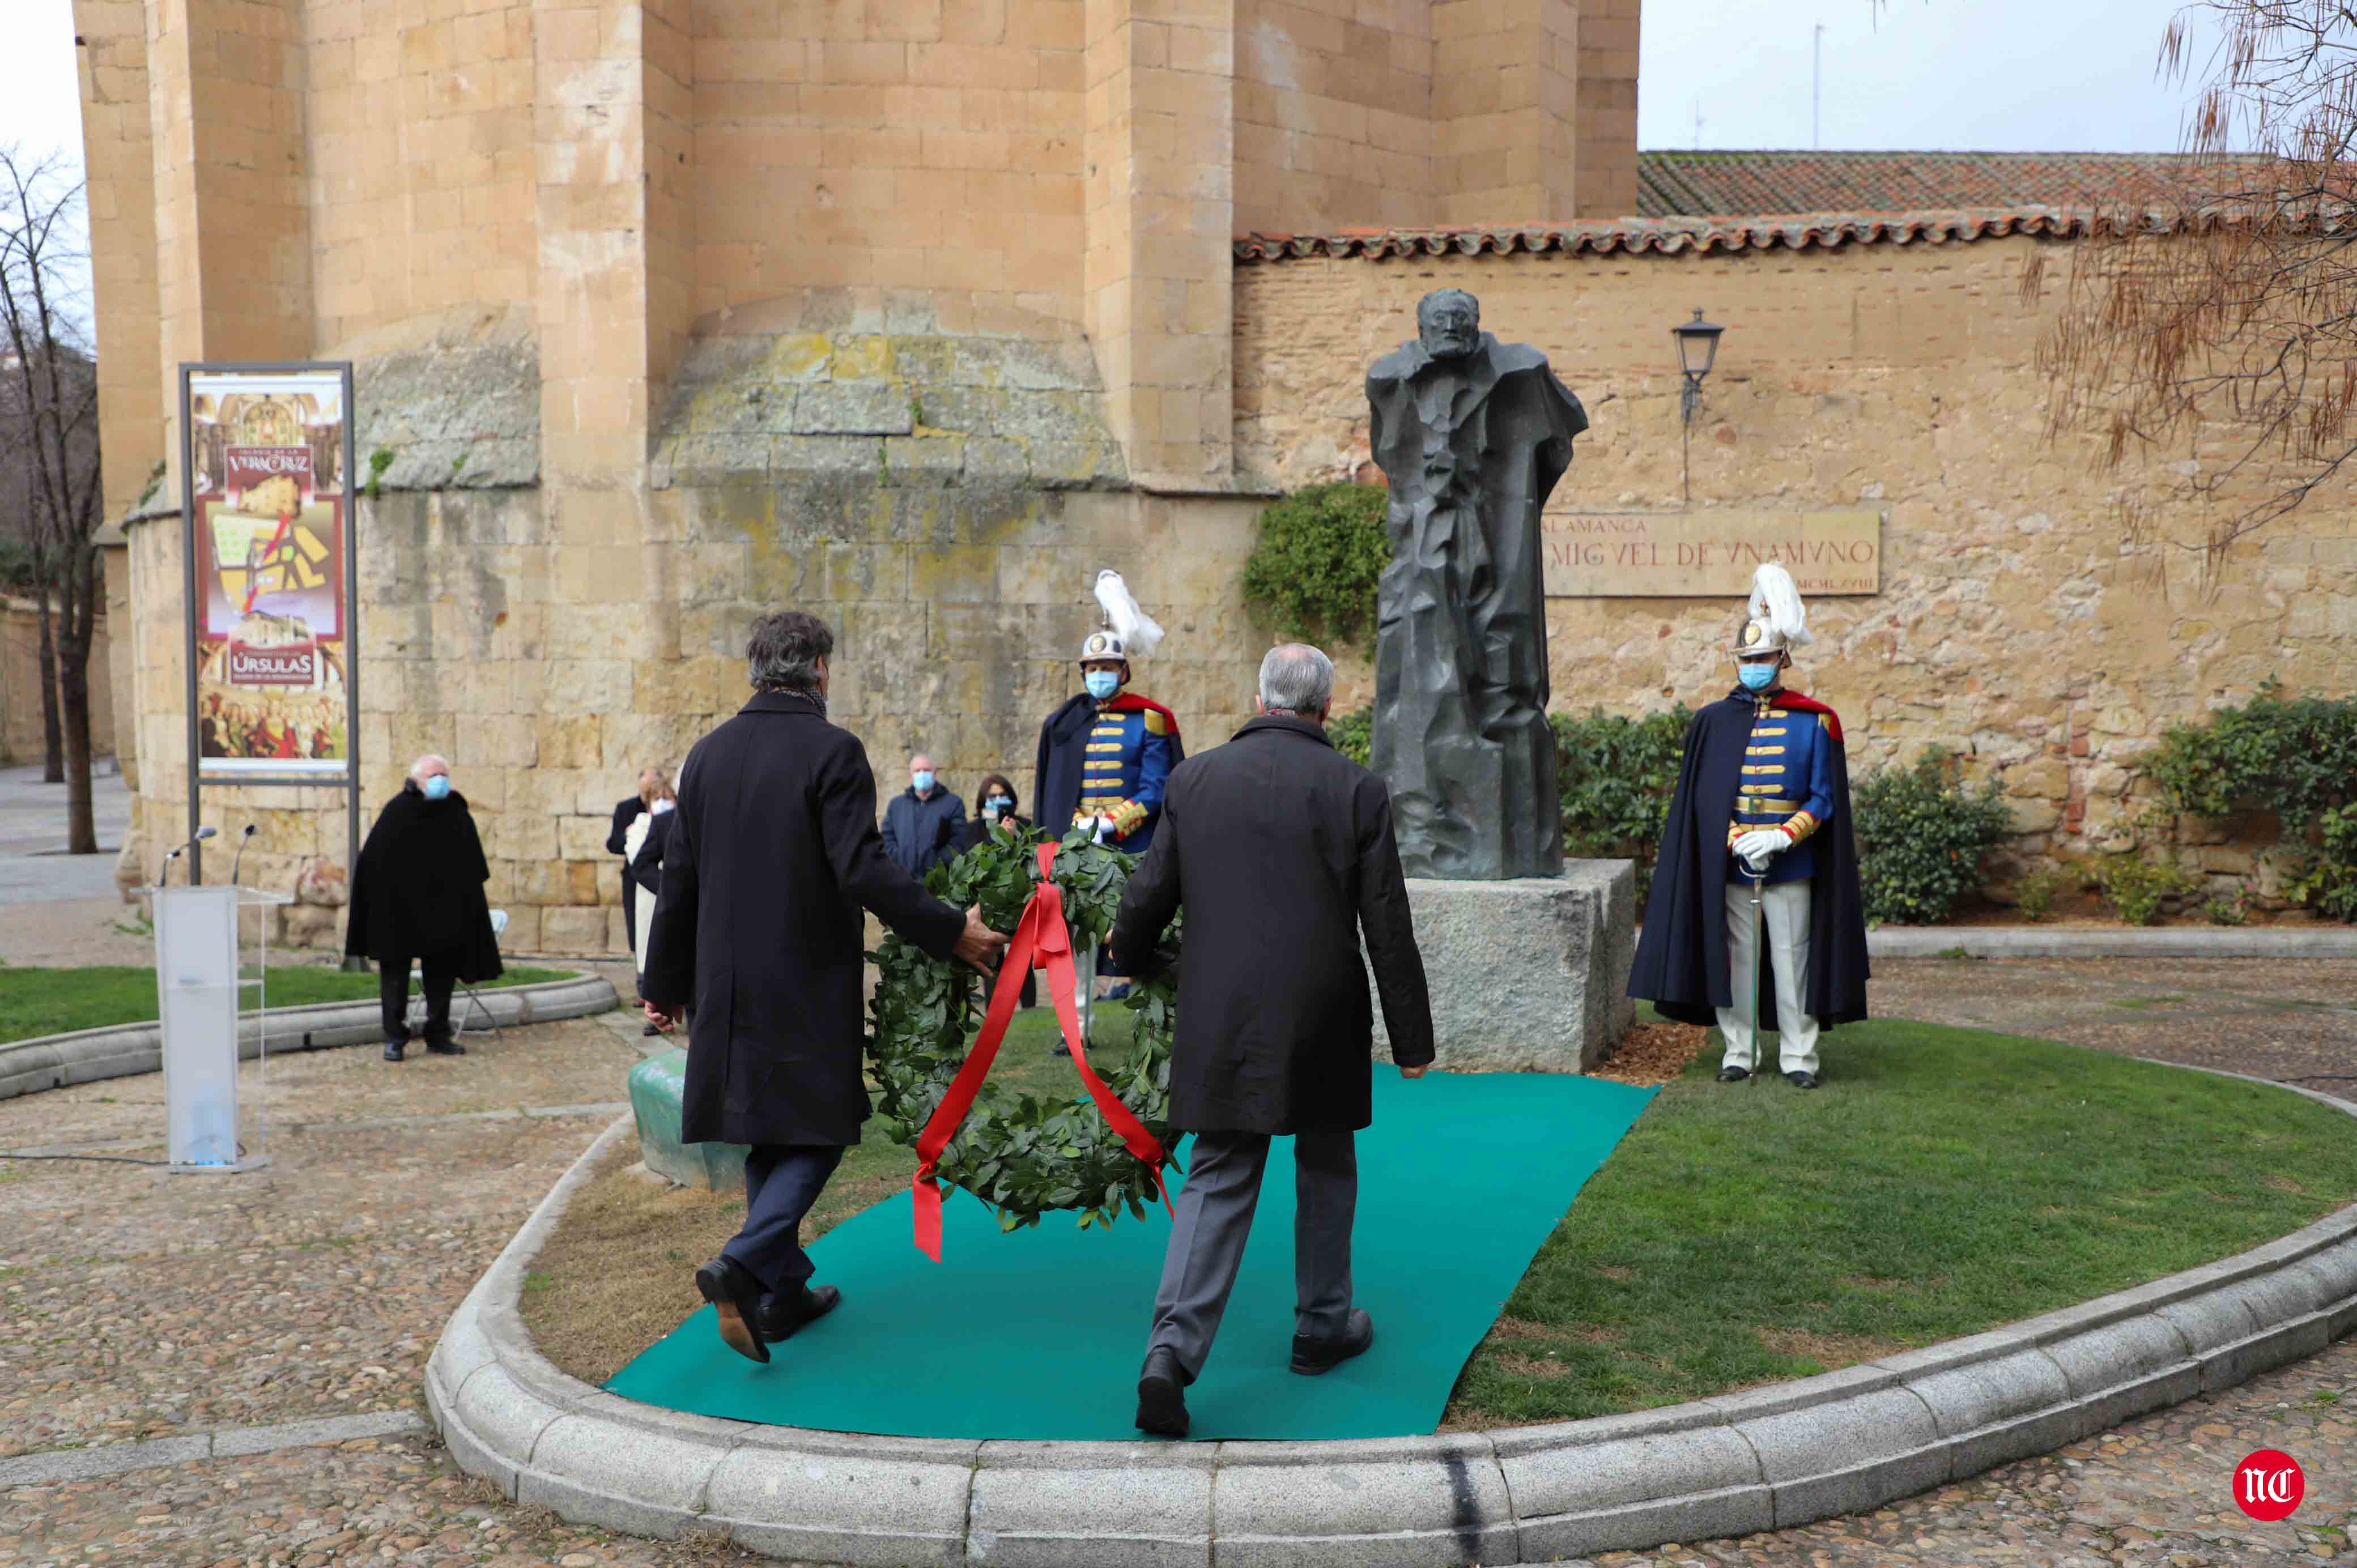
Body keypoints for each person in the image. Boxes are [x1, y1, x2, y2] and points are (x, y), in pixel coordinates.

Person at [641, 610, 1007, 1364]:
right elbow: (863, 868)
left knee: (766, 1132)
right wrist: (950, 930)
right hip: (804, 978)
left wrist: (663, 982)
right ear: (821, 671)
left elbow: (680, 880)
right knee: (820, 1132)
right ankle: (743, 1267)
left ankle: (782, 1294)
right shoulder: (833, 751)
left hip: (725, 985)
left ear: (755, 671)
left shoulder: (704, 757)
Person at [1109, 643, 1435, 1438]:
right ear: (1326, 707)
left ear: (1260, 697)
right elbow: (1386, 924)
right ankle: (1322, 1327)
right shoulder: (1357, 789)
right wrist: (1413, 1039)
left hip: (1220, 1009)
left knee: (1218, 1174)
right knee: (1326, 1163)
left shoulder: (1194, 780)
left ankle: (1170, 1356)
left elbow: (1148, 896)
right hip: (1324, 1007)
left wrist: (1138, 959)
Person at [1629, 564, 1870, 1090]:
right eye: (1746, 660)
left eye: (1762, 658)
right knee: (1736, 961)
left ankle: (1799, 1055)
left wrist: (1784, 835)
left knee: (1793, 962)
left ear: (1783, 659)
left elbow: (1825, 797)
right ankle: (1739, 1050)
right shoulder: (1714, 720)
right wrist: (1739, 837)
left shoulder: (1816, 721)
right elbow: (1704, 801)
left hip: (1794, 861)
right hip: (1734, 863)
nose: (1753, 667)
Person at [345, 753, 504, 1062]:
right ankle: (394, 1038)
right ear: (416, 780)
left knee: (442, 974)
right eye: (433, 775)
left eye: (443, 774)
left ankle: (438, 1033)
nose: (440, 780)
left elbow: (472, 866)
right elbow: (375, 864)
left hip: (443, 913)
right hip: (399, 913)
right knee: (395, 976)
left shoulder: (456, 812)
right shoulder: (397, 811)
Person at [960, 773, 1037, 1009]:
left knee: (1023, 955)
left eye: (1002, 795)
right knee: (992, 956)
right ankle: (996, 1007)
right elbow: (974, 859)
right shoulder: (974, 829)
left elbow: (1031, 858)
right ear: (983, 801)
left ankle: (1029, 1007)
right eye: (992, 796)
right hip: (988, 899)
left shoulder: (1024, 824)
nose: (998, 799)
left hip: (1018, 897)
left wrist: (1012, 837)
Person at [623, 776, 677, 1033]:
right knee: (654, 945)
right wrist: (669, 887)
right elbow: (640, 862)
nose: (664, 802)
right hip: (657, 896)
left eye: (667, 797)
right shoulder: (654, 823)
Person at [606, 768, 666, 985]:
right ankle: (642, 980)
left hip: (660, 876)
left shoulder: (666, 810)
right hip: (636, 878)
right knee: (638, 928)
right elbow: (613, 844)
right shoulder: (627, 809)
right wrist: (629, 835)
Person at [880, 753, 965, 880]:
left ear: (935, 773)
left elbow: (958, 842)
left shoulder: (953, 803)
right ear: (911, 775)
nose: (922, 774)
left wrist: (937, 864)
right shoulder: (897, 805)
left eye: (926, 770)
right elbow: (886, 839)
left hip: (938, 883)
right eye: (917, 770)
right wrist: (899, 859)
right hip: (903, 882)